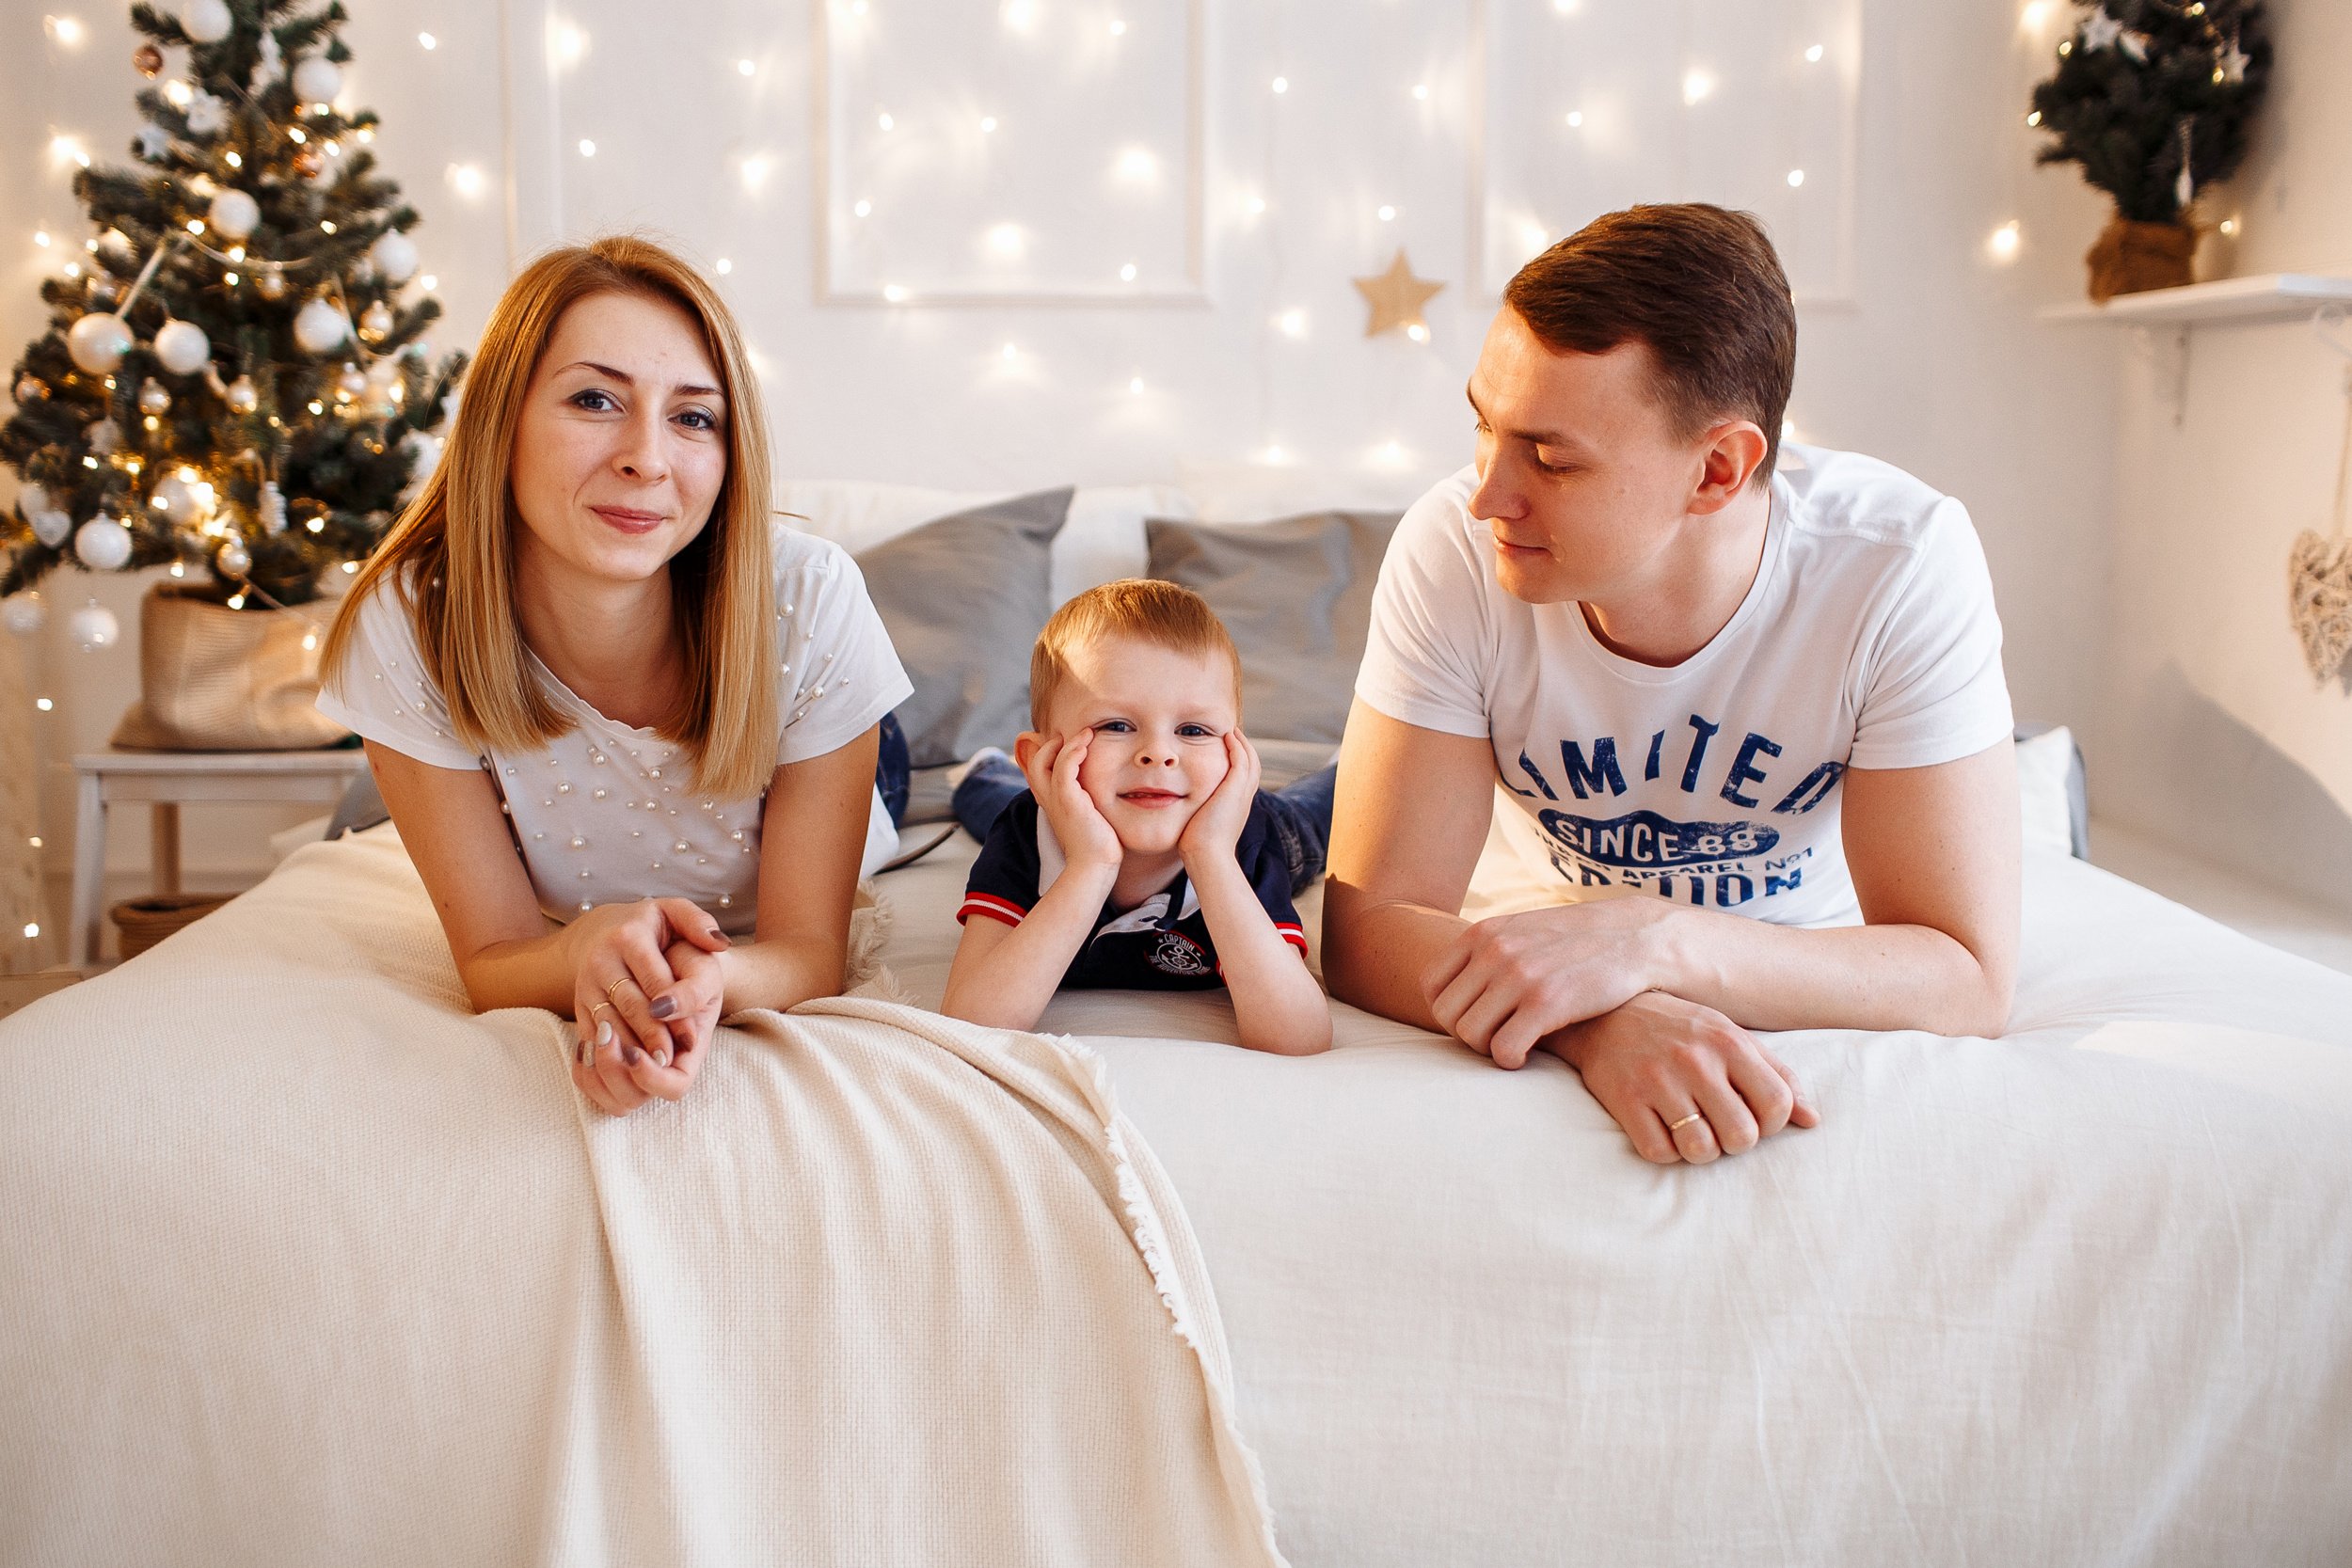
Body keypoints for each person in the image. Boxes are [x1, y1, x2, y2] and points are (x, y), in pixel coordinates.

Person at [1322, 203, 2019, 1165]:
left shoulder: (1896, 563)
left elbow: (1964, 977)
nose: (1487, 493)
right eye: (1485, 429)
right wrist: (1593, 1017)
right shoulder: (1453, 547)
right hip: (1522, 949)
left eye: (1551, 456)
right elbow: (1365, 927)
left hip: (1792, 953)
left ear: (1718, 469)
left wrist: (1657, 940)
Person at [318, 236, 912, 1117]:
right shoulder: (408, 622)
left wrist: (704, 987)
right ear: (502, 421)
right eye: (595, 399)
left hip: (817, 722)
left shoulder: (812, 598)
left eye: (694, 417)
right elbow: (493, 958)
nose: (647, 458)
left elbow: (808, 950)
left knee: (934, 773)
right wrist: (580, 950)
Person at [940, 579, 1335, 1056]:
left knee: (1326, 811)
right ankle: (985, 774)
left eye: (1193, 730)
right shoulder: (1026, 833)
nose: (1158, 754)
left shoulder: (1244, 842)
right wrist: (1092, 864)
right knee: (996, 803)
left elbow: (1298, 1038)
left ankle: (1344, 765)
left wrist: (1210, 856)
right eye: (1116, 726)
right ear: (1040, 760)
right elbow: (970, 1025)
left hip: (1239, 818)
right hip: (1067, 805)